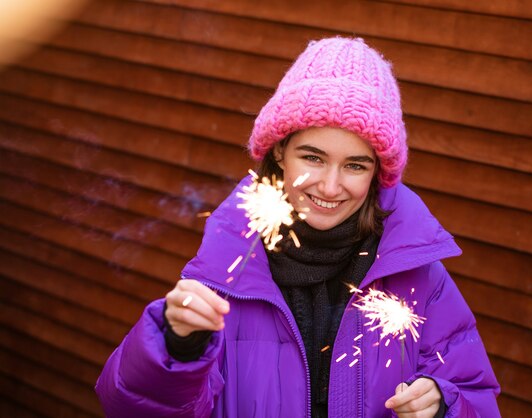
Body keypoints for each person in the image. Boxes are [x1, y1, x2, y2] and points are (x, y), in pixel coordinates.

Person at [95, 37, 501, 417]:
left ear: (378, 172)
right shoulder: (226, 269)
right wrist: (178, 348)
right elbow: (129, 406)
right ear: (279, 151)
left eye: (355, 165)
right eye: (313, 157)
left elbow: (475, 395)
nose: (329, 185)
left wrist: (444, 403)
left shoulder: (420, 279)